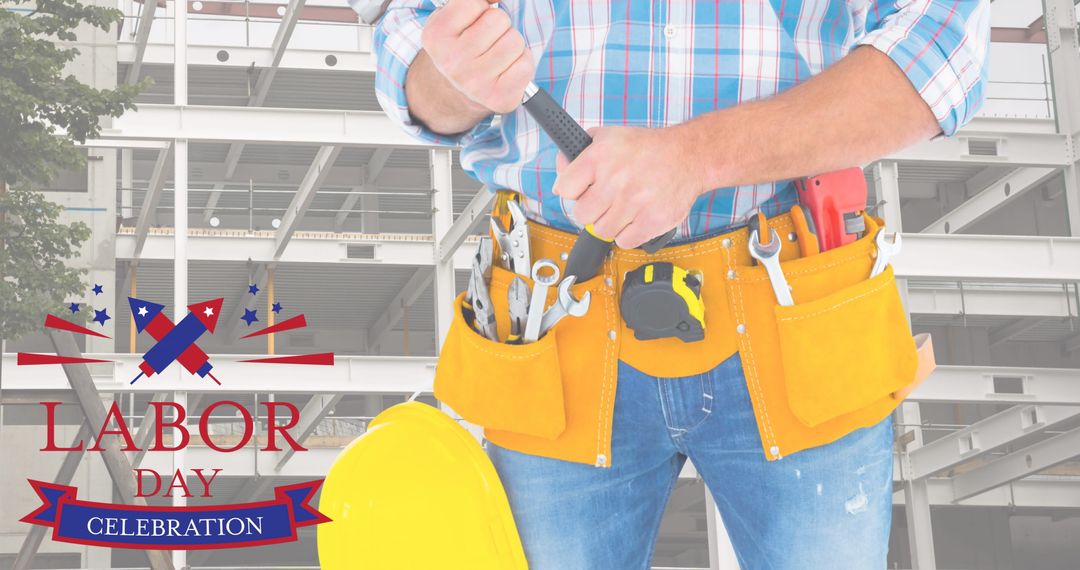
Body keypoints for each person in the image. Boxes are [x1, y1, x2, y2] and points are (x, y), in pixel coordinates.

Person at [374, 0, 988, 568]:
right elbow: (409, 43)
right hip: (555, 316)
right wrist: (453, 76)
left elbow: (942, 47)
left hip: (795, 296)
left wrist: (696, 157)